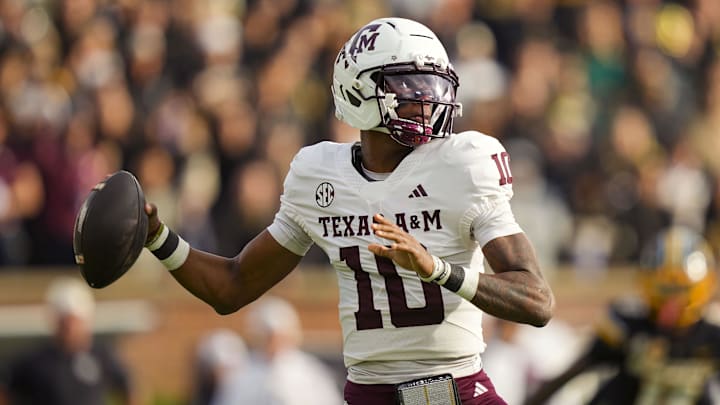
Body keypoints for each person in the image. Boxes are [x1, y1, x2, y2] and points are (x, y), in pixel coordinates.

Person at [143, 17, 555, 405]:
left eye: (433, 86)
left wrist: (436, 269)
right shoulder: (320, 176)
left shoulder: (462, 164)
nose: (427, 100)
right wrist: (158, 237)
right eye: (410, 86)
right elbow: (231, 287)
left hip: (455, 392)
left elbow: (536, 301)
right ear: (357, 90)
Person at [525, 226, 720, 405]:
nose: (671, 302)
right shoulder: (629, 328)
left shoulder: (713, 340)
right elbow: (574, 371)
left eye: (679, 290)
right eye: (664, 289)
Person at [0, 277, 135, 405]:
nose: (70, 328)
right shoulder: (34, 362)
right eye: (65, 322)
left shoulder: (102, 356)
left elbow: (127, 387)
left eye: (74, 321)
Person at [210, 296, 342, 405]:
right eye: (268, 336)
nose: (273, 342)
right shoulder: (241, 375)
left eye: (278, 336)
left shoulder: (310, 373)